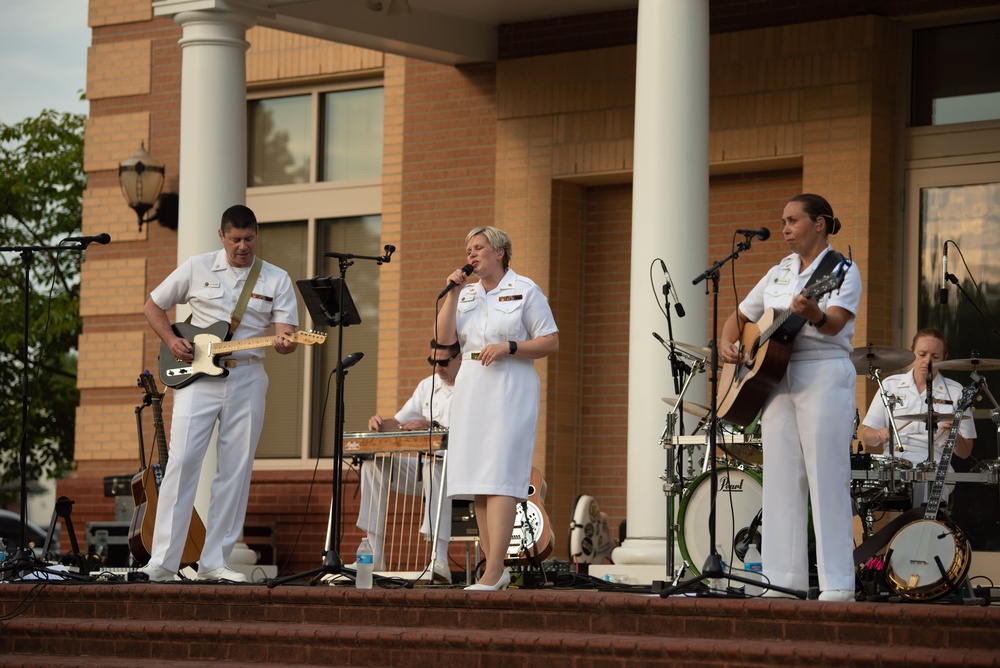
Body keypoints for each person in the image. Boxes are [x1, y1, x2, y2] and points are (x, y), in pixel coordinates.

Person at [139, 204, 299, 582]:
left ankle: (214, 561)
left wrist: (286, 343)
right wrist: (172, 339)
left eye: (249, 239)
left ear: (257, 235)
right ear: (221, 236)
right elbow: (153, 305)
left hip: (248, 375)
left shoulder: (276, 278)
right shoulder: (197, 266)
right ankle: (163, 561)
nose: (243, 246)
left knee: (236, 469)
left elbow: (287, 334)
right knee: (181, 464)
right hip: (197, 379)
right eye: (235, 240)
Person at [719, 194, 862, 601]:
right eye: (782, 221)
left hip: (822, 370)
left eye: (793, 220)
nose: (784, 228)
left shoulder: (842, 270)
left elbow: (834, 324)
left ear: (820, 223)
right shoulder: (777, 272)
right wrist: (728, 342)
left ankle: (838, 584)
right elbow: (743, 316)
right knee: (781, 479)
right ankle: (782, 580)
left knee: (826, 477)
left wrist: (813, 313)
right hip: (773, 377)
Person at [436, 226, 559, 591]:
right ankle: (494, 568)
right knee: (478, 478)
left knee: (502, 473)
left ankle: (495, 569)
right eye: (468, 249)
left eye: (479, 248)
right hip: (473, 383)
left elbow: (550, 341)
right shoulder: (468, 293)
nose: (471, 255)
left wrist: (511, 346)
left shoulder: (525, 289)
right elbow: (444, 341)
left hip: (510, 383)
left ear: (500, 252)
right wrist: (453, 294)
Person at [357, 339, 461, 584]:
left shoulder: (472, 385)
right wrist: (381, 424)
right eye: (432, 361)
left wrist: (432, 425)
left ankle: (440, 558)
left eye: (443, 362)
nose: (437, 367)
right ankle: (373, 553)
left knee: (436, 463)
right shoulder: (428, 385)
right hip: (427, 468)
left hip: (460, 472)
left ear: (459, 359)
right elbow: (401, 422)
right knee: (373, 464)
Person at [858, 328, 976, 508]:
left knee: (923, 487)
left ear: (944, 358)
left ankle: (920, 529)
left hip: (935, 465)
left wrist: (954, 435)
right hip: (893, 463)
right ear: (912, 352)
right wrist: (878, 435)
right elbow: (866, 435)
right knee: (855, 489)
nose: (927, 361)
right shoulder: (891, 385)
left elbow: (965, 452)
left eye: (935, 357)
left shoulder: (957, 391)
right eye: (922, 354)